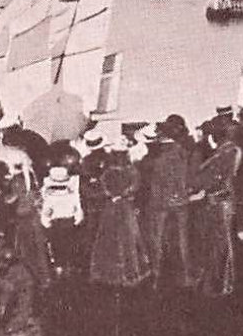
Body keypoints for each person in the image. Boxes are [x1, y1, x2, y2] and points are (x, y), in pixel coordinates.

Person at [140, 115, 195, 291]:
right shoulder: (184, 153)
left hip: (159, 203)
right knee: (182, 240)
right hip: (181, 202)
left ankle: (156, 276)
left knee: (156, 240)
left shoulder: (153, 158)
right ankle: (186, 276)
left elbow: (147, 182)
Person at [188, 119, 242, 295]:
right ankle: (220, 286)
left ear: (214, 136)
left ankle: (216, 288)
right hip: (224, 204)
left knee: (217, 247)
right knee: (221, 246)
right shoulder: (231, 151)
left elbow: (205, 178)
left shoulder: (225, 153)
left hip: (219, 205)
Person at [88, 156, 152, 290]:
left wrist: (112, 196)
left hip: (111, 207)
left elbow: (101, 189)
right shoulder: (131, 171)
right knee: (128, 239)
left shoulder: (107, 172)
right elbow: (135, 187)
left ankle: (108, 272)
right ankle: (129, 272)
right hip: (124, 207)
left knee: (109, 237)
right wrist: (123, 195)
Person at [39, 165, 85, 279]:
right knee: (64, 246)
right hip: (64, 222)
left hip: (60, 223)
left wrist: (46, 221)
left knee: (60, 246)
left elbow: (46, 212)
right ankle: (65, 268)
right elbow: (77, 208)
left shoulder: (51, 195)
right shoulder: (69, 194)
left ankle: (63, 268)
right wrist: (78, 218)